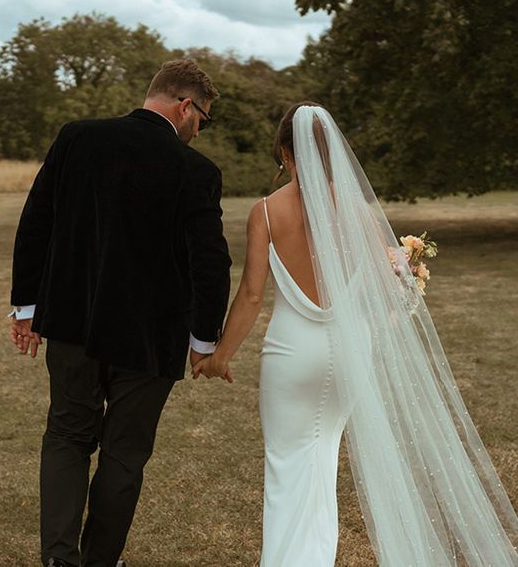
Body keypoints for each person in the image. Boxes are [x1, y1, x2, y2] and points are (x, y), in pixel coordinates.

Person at [194, 103, 518, 566]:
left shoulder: (265, 213)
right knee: (321, 467)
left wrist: (221, 356)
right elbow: (388, 295)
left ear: (286, 151)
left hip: (292, 356)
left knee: (287, 469)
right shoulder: (361, 213)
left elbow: (249, 295)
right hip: (348, 355)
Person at [9, 59, 232, 567]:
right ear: (184, 105)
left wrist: (25, 306)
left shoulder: (77, 138)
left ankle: (59, 561)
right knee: (125, 453)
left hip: (71, 324)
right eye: (203, 117)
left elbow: (35, 221)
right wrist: (203, 341)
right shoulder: (196, 172)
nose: (200, 128)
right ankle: (100, 561)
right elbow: (211, 260)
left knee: (66, 434)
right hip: (149, 340)